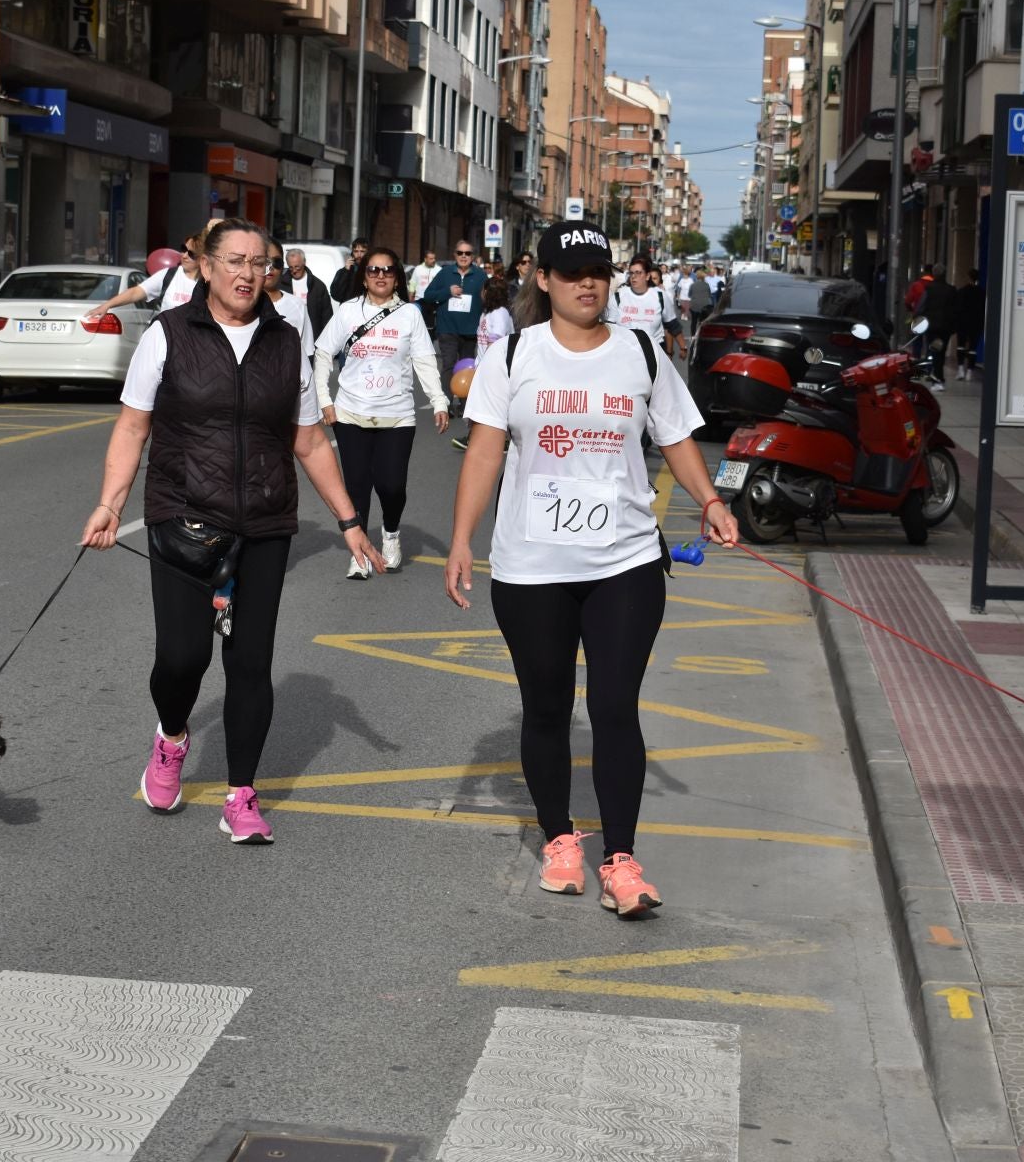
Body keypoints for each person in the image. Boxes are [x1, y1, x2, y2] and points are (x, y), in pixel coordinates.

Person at [444, 219, 739, 918]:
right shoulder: (513, 355)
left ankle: (622, 859)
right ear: (541, 280)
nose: (587, 284)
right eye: (571, 272)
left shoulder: (639, 351)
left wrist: (710, 501)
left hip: (626, 561)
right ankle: (559, 838)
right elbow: (485, 452)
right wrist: (461, 540)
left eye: (598, 273)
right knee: (546, 708)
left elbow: (675, 435)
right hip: (531, 566)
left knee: (613, 707)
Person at [82, 218, 382, 845]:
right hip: (183, 513)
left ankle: (241, 794)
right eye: (236, 261)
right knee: (182, 658)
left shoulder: (283, 340)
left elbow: (307, 438)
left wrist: (349, 519)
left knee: (250, 663)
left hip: (266, 521)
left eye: (260, 262)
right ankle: (170, 737)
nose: (249, 273)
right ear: (208, 266)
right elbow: (134, 427)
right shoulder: (168, 336)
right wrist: (111, 504)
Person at [314, 245, 448, 577]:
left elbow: (424, 361)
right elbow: (321, 354)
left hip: (397, 415)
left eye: (388, 270)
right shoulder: (347, 311)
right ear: (363, 277)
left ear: (397, 277)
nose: (380, 276)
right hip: (350, 412)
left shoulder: (410, 314)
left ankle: (390, 533)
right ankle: (359, 555)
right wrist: (324, 401)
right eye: (373, 270)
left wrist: (439, 400)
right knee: (356, 486)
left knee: (391, 485)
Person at [451, 275, 516, 452]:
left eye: (483, 290)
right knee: (484, 406)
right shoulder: (486, 313)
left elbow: (495, 343)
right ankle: (480, 437)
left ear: (488, 292)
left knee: (491, 406)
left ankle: (488, 439)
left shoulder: (500, 314)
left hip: (496, 369)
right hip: (483, 367)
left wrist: (487, 367)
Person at [422, 238, 488, 408]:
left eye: (467, 253)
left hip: (471, 331)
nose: (464, 256)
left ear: (472, 256)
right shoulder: (445, 273)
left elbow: (488, 300)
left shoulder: (480, 276)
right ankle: (446, 403)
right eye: (460, 253)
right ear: (454, 255)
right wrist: (447, 292)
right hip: (447, 328)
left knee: (467, 367)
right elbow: (428, 295)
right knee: (449, 365)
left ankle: (467, 405)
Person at [606, 257, 677, 354]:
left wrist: (671, 351)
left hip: (654, 351)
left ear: (647, 276)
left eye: (638, 273)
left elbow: (671, 326)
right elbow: (610, 327)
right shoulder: (620, 295)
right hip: (625, 352)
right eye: (632, 273)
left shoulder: (660, 295)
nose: (634, 276)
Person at [917, 265, 955, 391]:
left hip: (932, 326)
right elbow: (956, 310)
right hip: (946, 327)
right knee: (941, 353)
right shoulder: (951, 290)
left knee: (934, 352)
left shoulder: (929, 289)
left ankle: (937, 380)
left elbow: (921, 306)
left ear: (934, 274)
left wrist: (917, 318)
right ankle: (939, 379)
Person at [281, 246, 332, 340]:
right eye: (291, 268)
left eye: (297, 267)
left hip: (312, 338)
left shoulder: (318, 286)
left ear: (304, 262)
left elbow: (327, 317)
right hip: (287, 337)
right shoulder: (281, 285)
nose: (294, 271)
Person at [954, 268, 987, 381]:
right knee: (973, 348)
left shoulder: (961, 291)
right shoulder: (982, 293)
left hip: (962, 323)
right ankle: (969, 372)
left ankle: (960, 370)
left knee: (961, 346)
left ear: (968, 277)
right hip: (976, 323)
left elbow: (957, 308)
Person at [330, 238, 370, 304]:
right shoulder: (343, 272)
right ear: (352, 252)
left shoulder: (373, 271)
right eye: (356, 251)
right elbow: (336, 295)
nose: (359, 254)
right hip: (348, 309)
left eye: (362, 251)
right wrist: (346, 272)